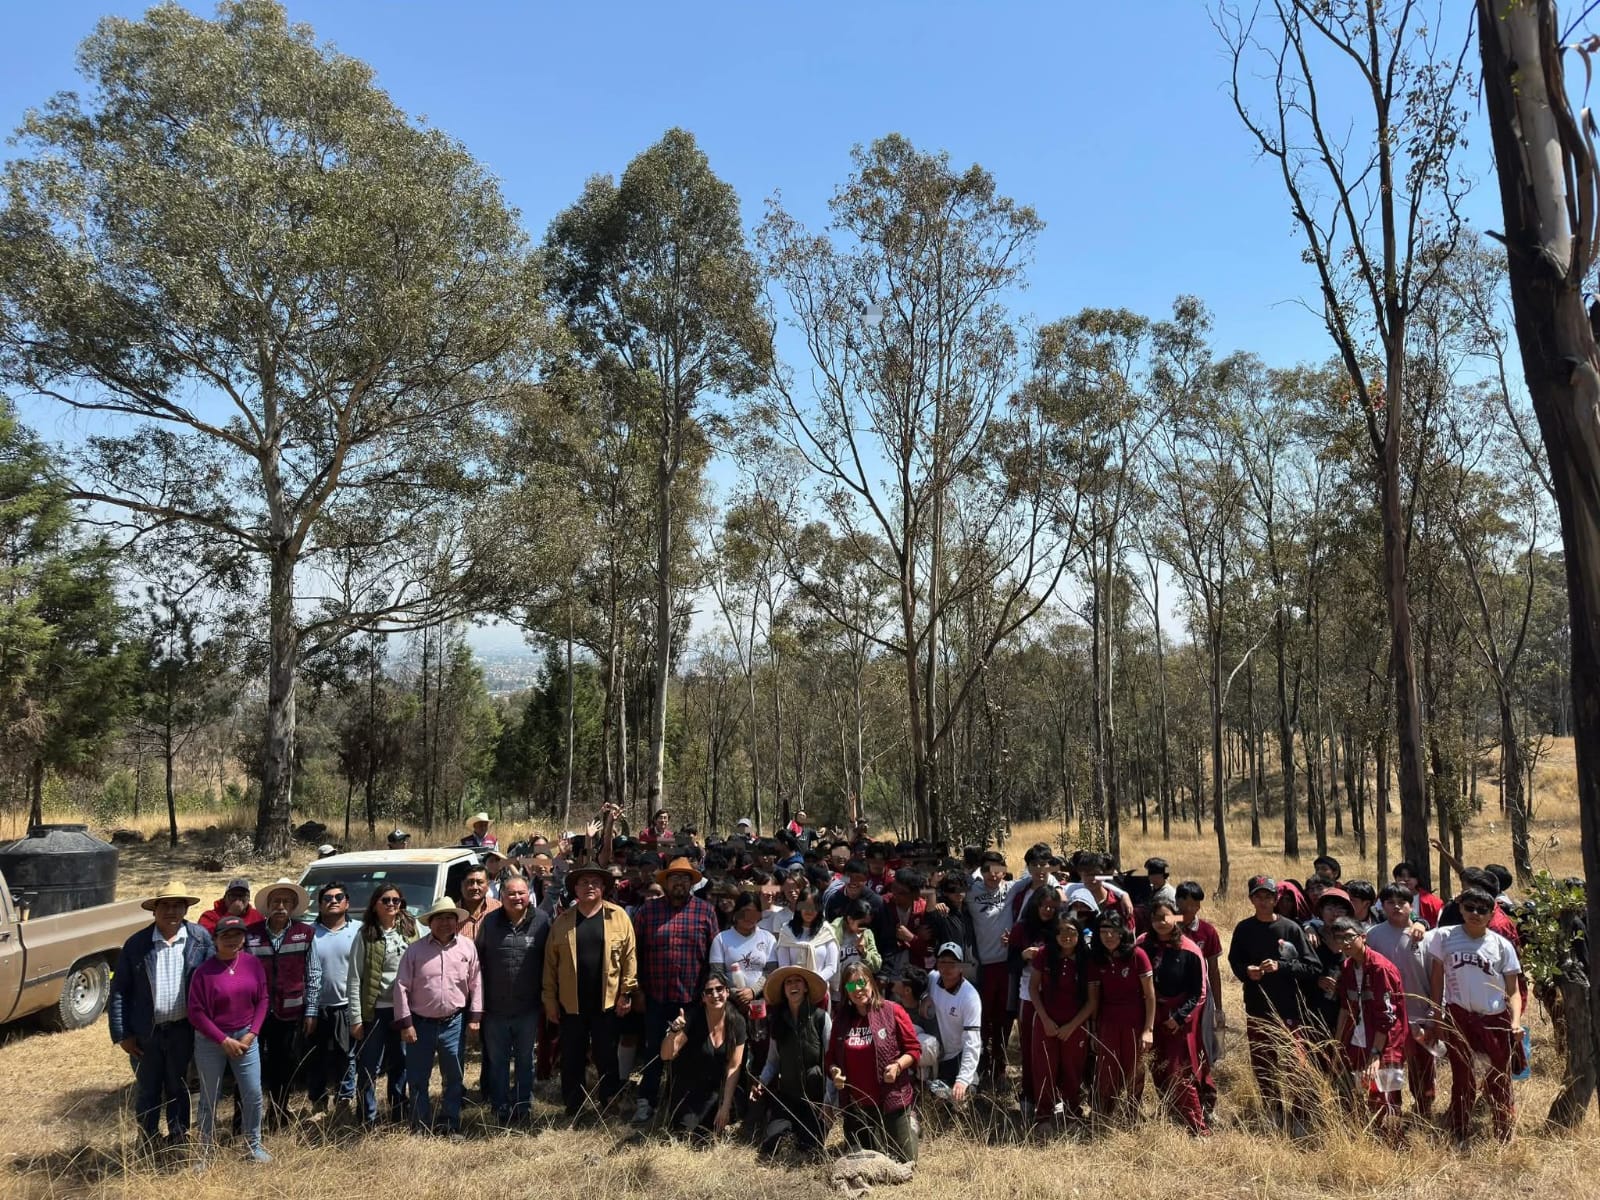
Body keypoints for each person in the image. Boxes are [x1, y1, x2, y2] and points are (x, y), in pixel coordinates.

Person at [109, 880, 215, 1154]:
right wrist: (122, 1034)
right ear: (154, 910)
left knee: (179, 1086)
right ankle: (148, 1140)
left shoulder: (199, 939)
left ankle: (179, 1138)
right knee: (148, 1088)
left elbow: (212, 982)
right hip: (146, 1032)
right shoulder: (137, 944)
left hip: (184, 1029)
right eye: (165, 905)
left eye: (177, 905)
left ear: (185, 909)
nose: (171, 911)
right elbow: (120, 989)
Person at [1428, 887, 1524, 1143]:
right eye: (1469, 907)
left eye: (1482, 910)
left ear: (1492, 913)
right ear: (1460, 908)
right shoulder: (1445, 937)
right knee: (1462, 1077)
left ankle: (1504, 1133)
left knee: (1499, 1078)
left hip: (1494, 1020)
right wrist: (1437, 1013)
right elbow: (1437, 979)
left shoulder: (1502, 946)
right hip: (1460, 1017)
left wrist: (1515, 1022)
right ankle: (1459, 1130)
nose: (1475, 914)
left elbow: (1513, 991)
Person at [544, 863, 638, 1118]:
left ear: (604, 887)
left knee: (607, 1056)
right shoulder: (562, 922)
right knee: (572, 1057)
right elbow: (550, 966)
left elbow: (629, 959)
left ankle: (609, 1102)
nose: (589, 886)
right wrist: (550, 1001)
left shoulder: (618, 916)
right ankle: (574, 1105)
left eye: (595, 882)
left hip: (606, 1003)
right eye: (583, 882)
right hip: (570, 1004)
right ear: (575, 888)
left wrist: (626, 993)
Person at [1228, 875, 1319, 1134]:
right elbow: (1235, 963)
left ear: (1276, 899)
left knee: (1295, 1064)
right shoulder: (1244, 929)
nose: (1264, 901)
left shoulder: (1291, 928)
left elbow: (1312, 967)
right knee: (1263, 1064)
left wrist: (1282, 966)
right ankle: (1273, 1113)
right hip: (1257, 1008)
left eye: (1268, 896)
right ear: (1251, 899)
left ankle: (1299, 1115)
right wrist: (1248, 971)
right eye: (1258, 896)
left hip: (1289, 1008)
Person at [633, 856, 720, 1124]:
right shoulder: (648, 912)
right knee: (653, 1052)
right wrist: (636, 991)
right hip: (656, 996)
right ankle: (646, 1102)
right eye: (675, 878)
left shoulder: (705, 911)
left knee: (690, 1053)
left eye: (685, 878)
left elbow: (713, 956)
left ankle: (683, 1104)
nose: (680, 882)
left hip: (692, 998)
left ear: (692, 883)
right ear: (666, 882)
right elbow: (635, 953)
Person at [393, 896, 482, 1139]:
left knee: (453, 1076)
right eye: (440, 918)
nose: (445, 923)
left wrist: (475, 1017)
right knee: (418, 1077)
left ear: (457, 921)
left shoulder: (467, 948)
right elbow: (401, 986)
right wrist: (406, 1023)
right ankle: (420, 1125)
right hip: (420, 1024)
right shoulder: (415, 950)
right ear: (431, 922)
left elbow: (476, 982)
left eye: (450, 918)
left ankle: (450, 1123)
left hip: (454, 1022)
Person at [188, 915, 271, 1166]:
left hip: (246, 1038)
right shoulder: (203, 972)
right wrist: (222, 1039)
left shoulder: (253, 964)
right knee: (209, 1098)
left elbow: (263, 999)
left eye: (238, 935)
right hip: (211, 1042)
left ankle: (252, 1146)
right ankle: (204, 1153)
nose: (233, 940)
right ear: (215, 939)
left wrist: (252, 1033)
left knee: (253, 1093)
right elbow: (196, 1012)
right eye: (226, 935)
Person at [244, 878, 321, 1129]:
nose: (280, 906)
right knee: (250, 1066)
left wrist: (311, 1010)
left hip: (290, 1012)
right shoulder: (251, 934)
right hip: (256, 1013)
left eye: (286, 901)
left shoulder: (305, 933)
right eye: (276, 901)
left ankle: (278, 1112)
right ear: (268, 905)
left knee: (284, 1064)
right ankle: (243, 1119)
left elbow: (313, 974)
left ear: (293, 905)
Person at [826, 962, 921, 1163]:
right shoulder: (841, 1019)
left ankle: (911, 1121)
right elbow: (831, 1058)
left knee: (905, 1160)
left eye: (862, 982)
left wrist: (897, 1066)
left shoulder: (892, 1010)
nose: (858, 990)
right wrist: (835, 1072)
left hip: (891, 1099)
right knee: (865, 1161)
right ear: (845, 990)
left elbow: (914, 1049)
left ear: (872, 983)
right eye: (851, 986)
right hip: (858, 1105)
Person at [476, 873, 551, 1124]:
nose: (516, 897)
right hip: (495, 1007)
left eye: (521, 893)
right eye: (511, 893)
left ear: (528, 895)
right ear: (501, 896)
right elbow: (478, 961)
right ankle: (499, 1107)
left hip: (528, 1007)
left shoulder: (542, 922)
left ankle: (522, 1106)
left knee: (525, 1060)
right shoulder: (489, 923)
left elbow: (550, 962)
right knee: (497, 1062)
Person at [1326, 916, 1408, 1131]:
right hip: (1356, 1038)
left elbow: (1387, 1018)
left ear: (1362, 937)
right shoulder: (1347, 967)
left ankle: (1389, 1141)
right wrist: (1338, 1044)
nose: (1344, 943)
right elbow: (1345, 1007)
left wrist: (1376, 1054)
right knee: (1352, 1089)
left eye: (1349, 937)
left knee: (1383, 1095)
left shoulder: (1381, 968)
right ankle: (1361, 1135)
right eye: (1338, 938)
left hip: (1384, 1041)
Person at [348, 883, 420, 1129]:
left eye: (396, 901)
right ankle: (366, 1118)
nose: (391, 905)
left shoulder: (412, 930)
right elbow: (355, 978)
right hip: (375, 1010)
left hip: (404, 1010)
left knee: (400, 1063)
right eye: (386, 900)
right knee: (369, 1066)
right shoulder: (365, 934)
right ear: (375, 905)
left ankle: (398, 1114)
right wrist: (355, 1018)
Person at [1138, 898, 1208, 1135]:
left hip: (1178, 1019)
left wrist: (1178, 1018)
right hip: (1150, 1016)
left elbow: (1199, 992)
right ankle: (1171, 1114)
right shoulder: (1142, 944)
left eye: (1167, 917)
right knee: (1157, 1067)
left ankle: (1197, 1125)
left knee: (1179, 1072)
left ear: (1177, 918)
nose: (1161, 922)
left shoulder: (1189, 950)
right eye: (1156, 917)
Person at [1367, 882, 1437, 1116]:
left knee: (1423, 1069)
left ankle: (1423, 1110)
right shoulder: (1373, 936)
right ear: (1382, 906)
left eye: (1402, 903)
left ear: (1411, 905)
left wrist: (1433, 1015)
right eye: (1390, 903)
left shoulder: (1427, 938)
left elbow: (1437, 980)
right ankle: (1391, 1113)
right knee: (1390, 1068)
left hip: (1420, 1015)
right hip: (1388, 1019)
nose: (1396, 907)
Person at [753, 965, 832, 1160]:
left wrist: (829, 1102)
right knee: (772, 1144)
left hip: (815, 1099)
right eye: (788, 982)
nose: (793, 985)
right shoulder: (777, 1021)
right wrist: (761, 1082)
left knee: (810, 1149)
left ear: (806, 988)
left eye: (798, 981)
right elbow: (772, 1061)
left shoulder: (821, 1018)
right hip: (787, 1096)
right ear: (784, 990)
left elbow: (832, 1061)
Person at [660, 968, 747, 1141]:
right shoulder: (692, 1019)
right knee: (689, 1136)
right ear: (703, 997)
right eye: (709, 991)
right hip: (689, 1090)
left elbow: (734, 1067)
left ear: (727, 992)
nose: (715, 995)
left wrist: (725, 1106)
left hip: (717, 1090)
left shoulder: (737, 1021)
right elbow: (666, 1055)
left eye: (719, 989)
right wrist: (672, 1033)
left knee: (717, 1133)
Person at [1030, 916, 1097, 1130]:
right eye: (1062, 932)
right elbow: (1033, 989)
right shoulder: (1044, 955)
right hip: (1045, 1022)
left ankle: (1071, 1114)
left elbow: (1092, 1001)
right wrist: (1046, 1020)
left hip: (1076, 1025)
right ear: (1055, 935)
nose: (1067, 936)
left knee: (1072, 1070)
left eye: (1072, 931)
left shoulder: (1088, 960)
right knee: (1044, 1069)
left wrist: (1072, 1026)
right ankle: (1043, 1116)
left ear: (1079, 934)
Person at [1089, 909, 1154, 1120]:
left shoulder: (1137, 955)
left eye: (1113, 930)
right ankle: (1104, 1115)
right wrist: (1093, 1030)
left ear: (1122, 931)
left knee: (1135, 1069)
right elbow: (1094, 999)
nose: (1109, 936)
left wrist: (1148, 1029)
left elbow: (1150, 996)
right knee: (1107, 1070)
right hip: (1107, 1022)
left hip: (1134, 1021)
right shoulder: (1097, 959)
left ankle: (1131, 1114)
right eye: (1103, 931)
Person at [306, 880, 360, 1119]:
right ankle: (318, 1101)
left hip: (346, 1004)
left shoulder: (359, 930)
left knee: (346, 1055)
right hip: (315, 1007)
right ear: (319, 905)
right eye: (327, 898)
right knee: (315, 1056)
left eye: (339, 897)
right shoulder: (309, 933)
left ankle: (344, 1099)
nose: (333, 901)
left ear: (347, 903)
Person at [1174, 880, 1225, 1116]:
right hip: (1174, 997)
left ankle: (1207, 1100)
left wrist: (1218, 1008)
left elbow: (1213, 970)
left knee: (1202, 1047)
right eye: (1183, 902)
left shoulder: (1207, 931)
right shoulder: (1167, 926)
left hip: (1201, 996)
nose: (1188, 908)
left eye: (1194, 904)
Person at [966, 851, 1016, 1085]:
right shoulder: (971, 889)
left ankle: (1000, 1067)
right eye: (989, 871)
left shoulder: (1012, 888)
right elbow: (942, 888)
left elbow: (1047, 878)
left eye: (999, 871)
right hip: (982, 967)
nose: (994, 876)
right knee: (981, 1018)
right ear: (982, 870)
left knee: (1004, 1019)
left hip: (1006, 966)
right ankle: (981, 1066)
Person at [928, 943, 982, 1101]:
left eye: (953, 963)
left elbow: (972, 1042)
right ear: (937, 964)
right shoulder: (931, 979)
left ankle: (969, 1081)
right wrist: (924, 997)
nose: (947, 967)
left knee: (965, 1093)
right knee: (933, 1089)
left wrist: (963, 1079)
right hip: (936, 1053)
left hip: (958, 1053)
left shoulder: (970, 997)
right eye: (943, 962)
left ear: (961, 967)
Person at [773, 884, 841, 988]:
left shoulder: (827, 931)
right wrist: (799, 985)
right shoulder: (786, 930)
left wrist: (812, 982)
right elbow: (784, 967)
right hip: (794, 990)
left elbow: (831, 967)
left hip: (819, 988)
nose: (809, 910)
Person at [831, 898, 882, 985]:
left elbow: (876, 966)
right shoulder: (832, 932)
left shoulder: (867, 934)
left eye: (867, 925)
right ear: (850, 919)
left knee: (852, 994)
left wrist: (864, 951)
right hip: (835, 990)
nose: (864, 928)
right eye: (861, 924)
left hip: (856, 987)